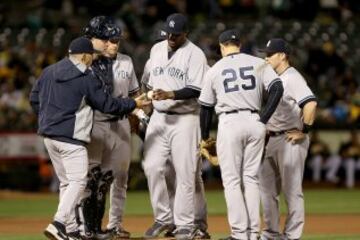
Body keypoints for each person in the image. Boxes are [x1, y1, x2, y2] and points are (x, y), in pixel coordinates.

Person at [29, 37, 150, 240]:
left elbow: (34, 98)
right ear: (85, 55)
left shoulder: (49, 71)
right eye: (92, 56)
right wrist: (133, 104)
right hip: (71, 139)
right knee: (78, 182)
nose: (93, 59)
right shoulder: (85, 76)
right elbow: (108, 105)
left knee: (66, 184)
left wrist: (48, 119)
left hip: (49, 137)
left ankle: (71, 230)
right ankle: (58, 223)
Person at [199, 29, 283, 240]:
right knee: (251, 179)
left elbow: (206, 107)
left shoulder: (215, 69)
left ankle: (239, 233)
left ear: (221, 46)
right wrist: (263, 119)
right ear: (239, 43)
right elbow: (277, 88)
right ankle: (254, 233)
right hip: (255, 120)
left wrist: (204, 135)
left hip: (230, 121)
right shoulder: (258, 63)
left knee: (232, 181)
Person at [142, 13, 209, 240]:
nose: (171, 37)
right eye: (169, 33)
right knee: (152, 167)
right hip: (159, 117)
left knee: (186, 173)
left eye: (176, 34)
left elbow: (198, 89)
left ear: (186, 34)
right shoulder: (156, 49)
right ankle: (163, 218)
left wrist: (171, 93)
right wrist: (146, 108)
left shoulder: (195, 54)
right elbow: (148, 83)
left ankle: (185, 225)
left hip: (186, 119)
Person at [79, 16, 145, 240]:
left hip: (122, 123)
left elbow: (135, 94)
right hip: (96, 123)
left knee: (119, 178)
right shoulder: (88, 62)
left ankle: (115, 224)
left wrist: (138, 115)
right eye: (109, 40)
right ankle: (85, 226)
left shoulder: (126, 61)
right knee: (91, 177)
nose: (114, 44)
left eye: (116, 40)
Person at [258, 38, 317, 240]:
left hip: (289, 139)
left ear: (282, 55)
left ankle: (291, 236)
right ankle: (271, 233)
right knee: (266, 191)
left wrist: (305, 130)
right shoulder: (273, 78)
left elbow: (310, 104)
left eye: (270, 54)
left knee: (292, 192)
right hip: (270, 139)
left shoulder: (292, 78)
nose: (266, 58)